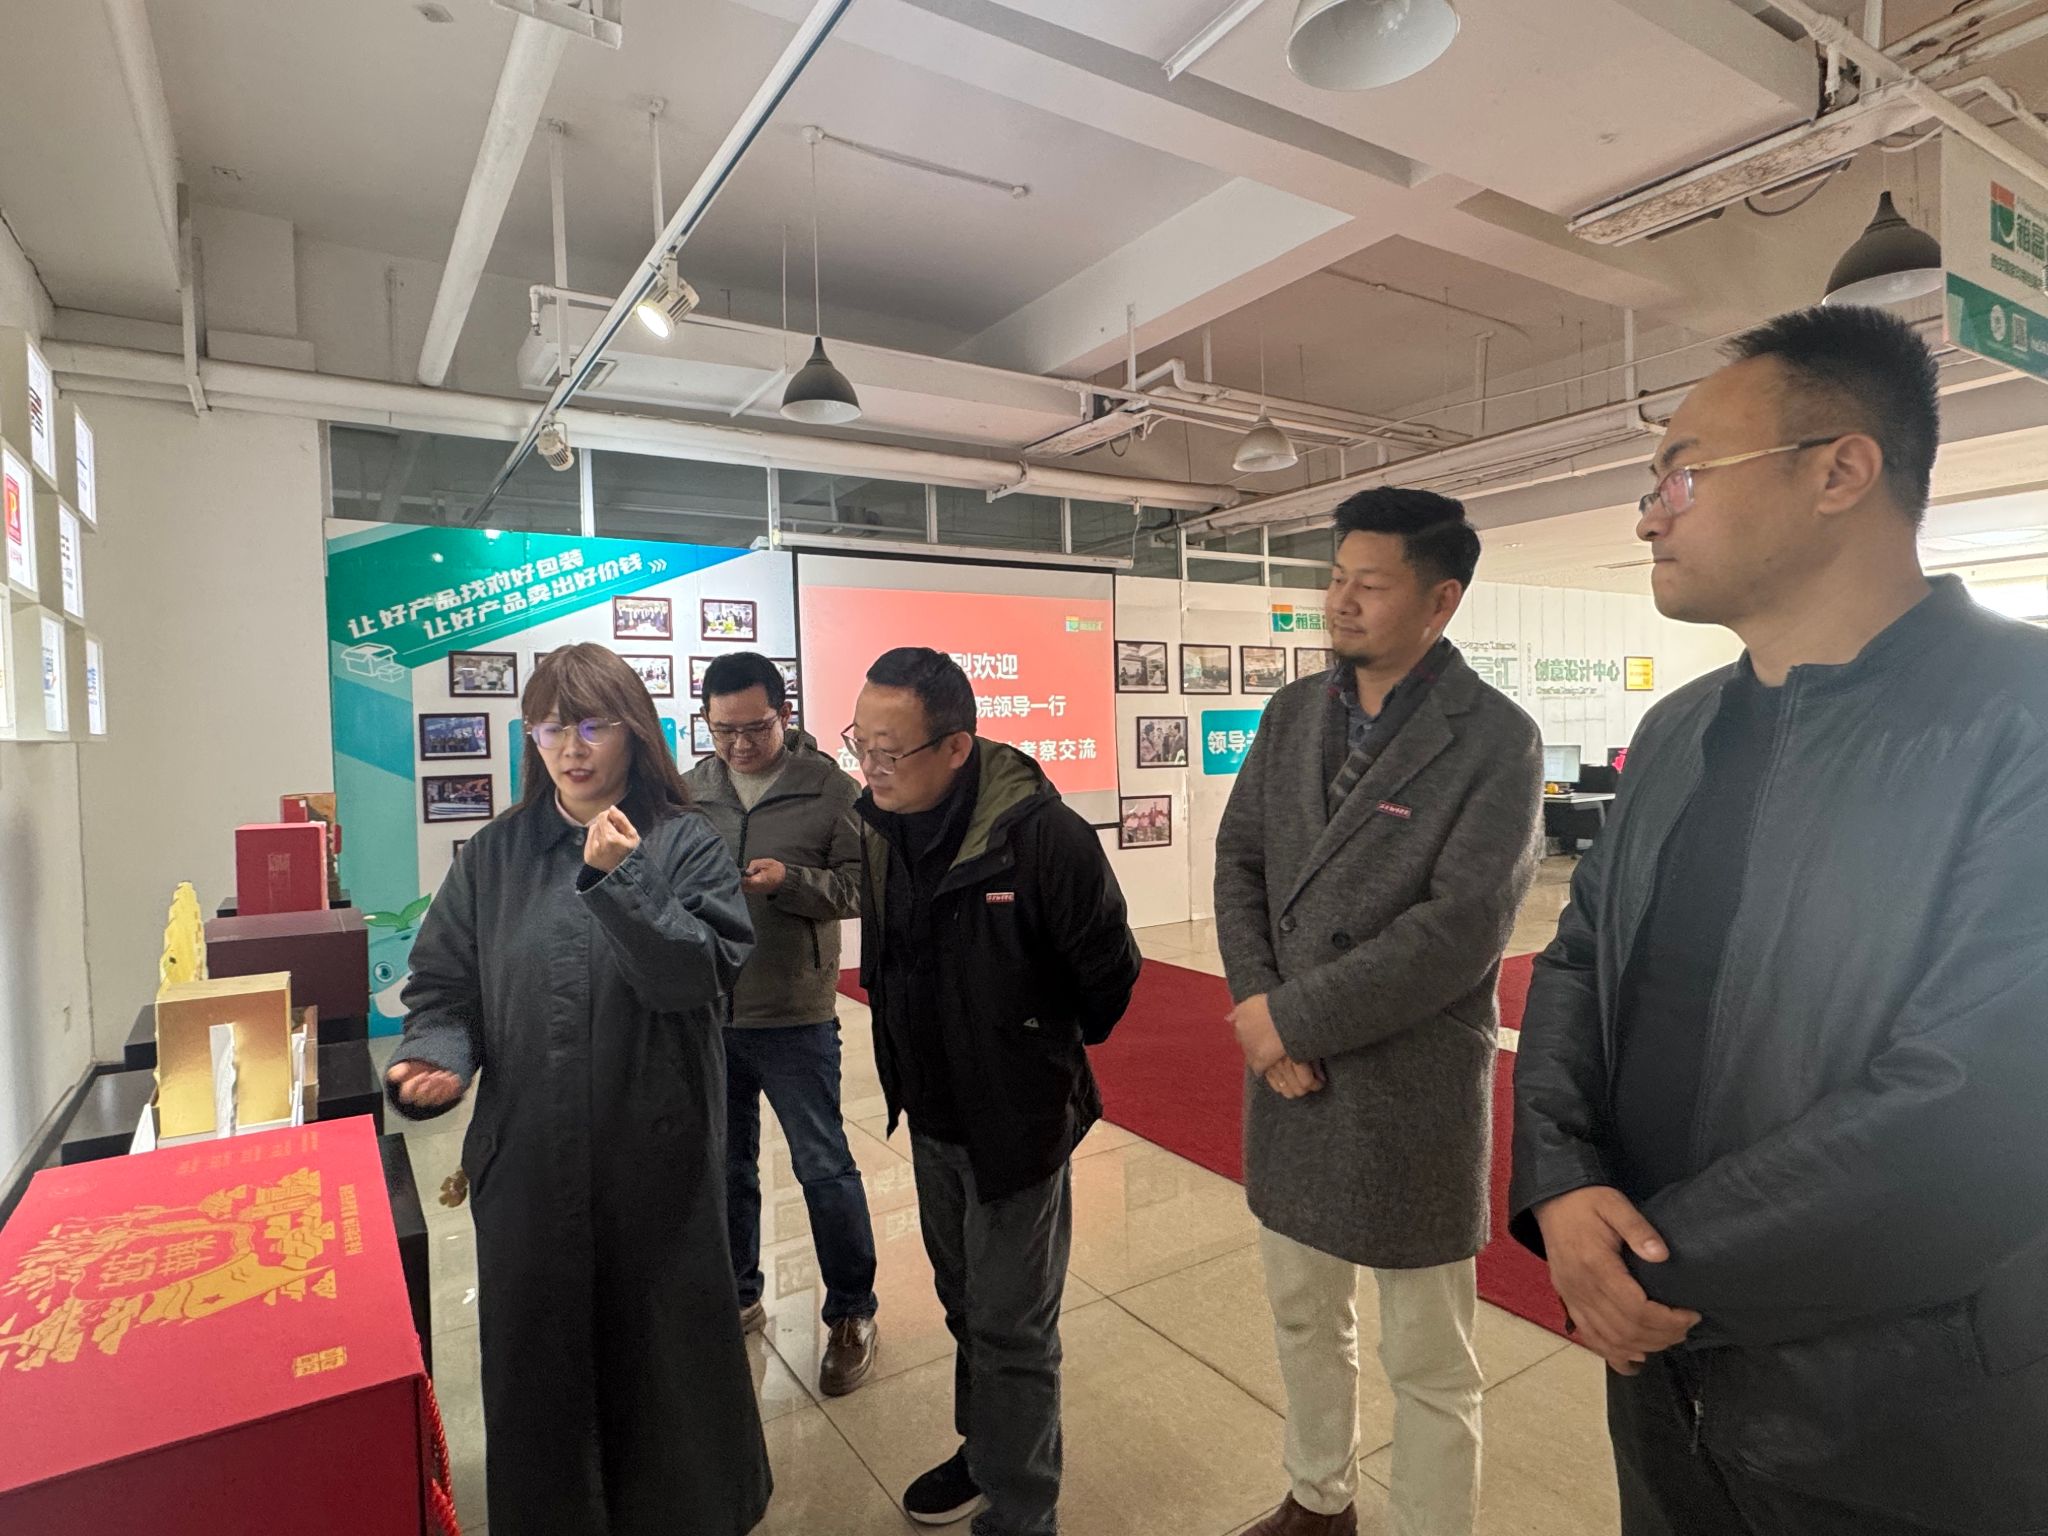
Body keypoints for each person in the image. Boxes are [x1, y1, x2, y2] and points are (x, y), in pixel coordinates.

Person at [1509, 305, 2048, 1536]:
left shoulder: (2017, 718)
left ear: (1837, 472)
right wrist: (1559, 1181)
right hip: (1659, 1383)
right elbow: (1578, 958)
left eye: (1680, 472)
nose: (1647, 513)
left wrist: (1644, 1269)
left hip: (1895, 1413)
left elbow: (1982, 1097)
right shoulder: (1677, 729)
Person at [1214, 489, 1544, 1536]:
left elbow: (1459, 928)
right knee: (1302, 1315)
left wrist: (1291, 1021)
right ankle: (1319, 1499)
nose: (1341, 601)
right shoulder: (1292, 714)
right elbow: (1240, 860)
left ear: (1440, 600)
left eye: (1371, 583)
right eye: (1335, 577)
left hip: (1408, 1080)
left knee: (1428, 1355)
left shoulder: (1494, 738)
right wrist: (1258, 1008)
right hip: (1288, 1075)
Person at [384, 643, 769, 1536]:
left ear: (634, 732)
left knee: (662, 1367)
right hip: (529, 1163)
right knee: (541, 1367)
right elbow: (444, 988)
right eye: (552, 728)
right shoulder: (496, 854)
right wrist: (436, 1055)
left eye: (594, 726)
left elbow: (697, 977)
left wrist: (622, 879)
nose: (572, 748)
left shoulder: (684, 842)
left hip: (654, 1158)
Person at [848, 647, 1142, 1536]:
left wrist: (1030, 1046)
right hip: (933, 1116)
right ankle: (986, 1453)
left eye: (890, 751)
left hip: (1017, 1121)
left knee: (1013, 1330)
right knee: (965, 1304)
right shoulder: (881, 827)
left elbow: (1110, 977)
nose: (871, 767)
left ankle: (1020, 1513)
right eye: (860, 744)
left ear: (956, 747)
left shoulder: (1044, 839)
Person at [684, 650, 880, 1397]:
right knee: (726, 1166)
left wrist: (790, 882)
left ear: (785, 715)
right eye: (723, 730)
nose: (738, 744)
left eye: (755, 728)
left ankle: (852, 1311)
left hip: (795, 1013)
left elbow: (862, 888)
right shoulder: (691, 791)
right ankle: (739, 1294)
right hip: (709, 1012)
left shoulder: (830, 789)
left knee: (823, 1166)